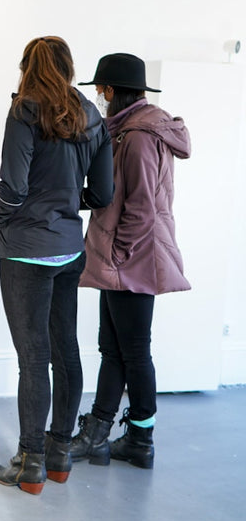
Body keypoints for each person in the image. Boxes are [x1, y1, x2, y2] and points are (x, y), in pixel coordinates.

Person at [0, 36, 114, 494]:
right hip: (69, 250)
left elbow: (14, 184)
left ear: (27, 66)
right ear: (68, 67)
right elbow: (101, 195)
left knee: (33, 358)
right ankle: (60, 454)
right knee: (66, 350)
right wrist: (64, 202)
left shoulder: (25, 109)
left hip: (26, 250)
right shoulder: (91, 116)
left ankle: (31, 463)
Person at [70, 53, 191, 470]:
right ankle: (103, 431)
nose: (99, 96)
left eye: (101, 89)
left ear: (111, 90)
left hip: (133, 257)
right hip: (127, 256)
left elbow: (141, 206)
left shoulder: (138, 136)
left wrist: (118, 255)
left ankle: (137, 438)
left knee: (133, 350)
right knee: (116, 348)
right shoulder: (128, 130)